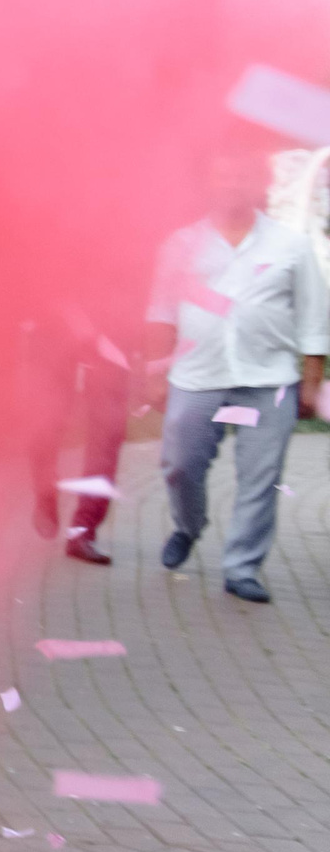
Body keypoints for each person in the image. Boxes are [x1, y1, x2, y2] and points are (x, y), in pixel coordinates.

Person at [145, 146, 327, 604]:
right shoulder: (181, 244)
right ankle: (189, 526)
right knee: (179, 464)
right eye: (222, 177)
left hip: (268, 382)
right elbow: (162, 311)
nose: (232, 186)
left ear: (260, 184)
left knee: (259, 477)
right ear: (209, 183)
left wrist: (311, 380)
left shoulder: (290, 245)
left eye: (242, 177)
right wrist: (153, 373)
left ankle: (242, 568)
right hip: (197, 377)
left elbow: (312, 317)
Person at [26, 319, 130, 565]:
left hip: (113, 332)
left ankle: (83, 531)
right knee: (44, 422)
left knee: (107, 435)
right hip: (55, 330)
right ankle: (44, 491)